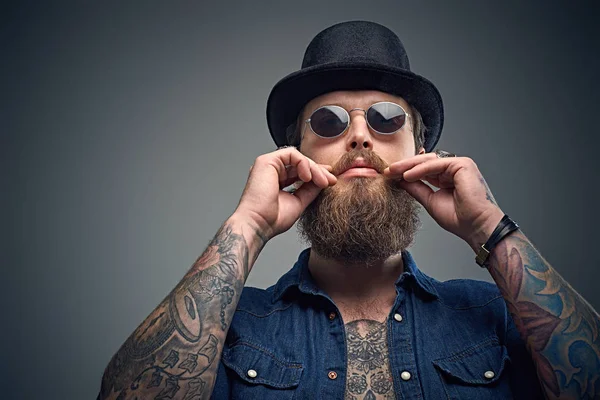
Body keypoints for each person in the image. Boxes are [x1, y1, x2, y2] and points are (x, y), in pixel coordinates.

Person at [97, 21, 600, 400]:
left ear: (420, 154)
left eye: (386, 119)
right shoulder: (234, 326)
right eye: (329, 120)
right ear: (296, 160)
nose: (359, 135)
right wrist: (247, 227)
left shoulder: (493, 314)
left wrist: (491, 228)